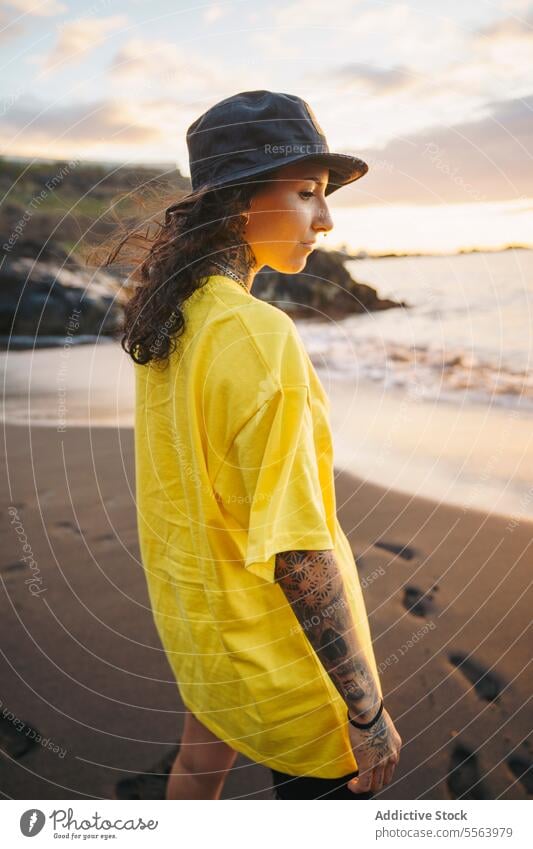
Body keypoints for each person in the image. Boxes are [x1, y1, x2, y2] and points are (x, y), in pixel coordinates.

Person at [113, 90, 402, 799]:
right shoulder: (255, 333)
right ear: (240, 200)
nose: (325, 220)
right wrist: (363, 709)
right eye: (306, 193)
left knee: (198, 767)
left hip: (209, 631)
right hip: (282, 658)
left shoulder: (172, 319)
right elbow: (297, 544)